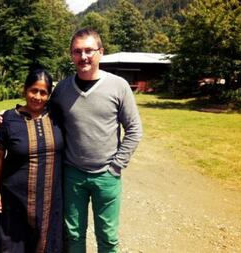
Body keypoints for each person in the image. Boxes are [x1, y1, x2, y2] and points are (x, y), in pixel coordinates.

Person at [49, 28, 142, 253]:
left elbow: (134, 129)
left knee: (108, 237)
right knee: (73, 235)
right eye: (77, 51)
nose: (83, 57)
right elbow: (42, 118)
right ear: (71, 55)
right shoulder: (62, 89)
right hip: (73, 175)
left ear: (100, 52)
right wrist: (12, 114)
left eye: (89, 50)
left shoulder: (118, 86)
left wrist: (116, 166)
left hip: (106, 176)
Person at [0, 68, 64, 253]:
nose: (37, 97)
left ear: (49, 95)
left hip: (49, 200)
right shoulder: (8, 120)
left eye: (43, 92)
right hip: (14, 199)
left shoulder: (57, 117)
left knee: (47, 244)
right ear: (25, 90)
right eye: (33, 90)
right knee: (13, 246)